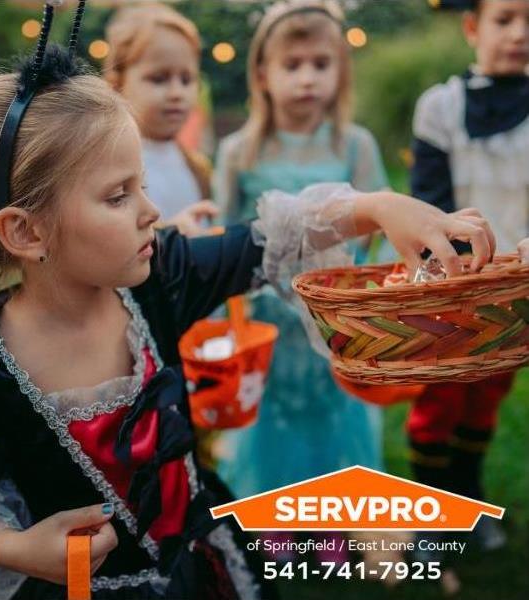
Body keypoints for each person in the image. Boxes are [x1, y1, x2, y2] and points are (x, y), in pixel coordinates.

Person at [0, 11, 495, 600]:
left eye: (143, 186)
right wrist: (16, 549)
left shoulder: (160, 282)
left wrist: (382, 207)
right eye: (118, 195)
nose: (150, 212)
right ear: (26, 233)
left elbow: (271, 240)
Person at [213, 0, 388, 562]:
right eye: (293, 64)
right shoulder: (240, 149)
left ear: (341, 70)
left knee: (331, 408)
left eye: (321, 63)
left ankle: (336, 514)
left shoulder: (353, 145)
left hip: (333, 313)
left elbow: (376, 221)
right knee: (273, 410)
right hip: (267, 313)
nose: (308, 77)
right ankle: (274, 515)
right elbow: (225, 231)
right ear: (262, 73)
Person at [408, 0, 529, 552]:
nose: (519, 33)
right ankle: (431, 510)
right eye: (505, 19)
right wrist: (454, 273)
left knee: (487, 395)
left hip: (517, 287)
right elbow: (431, 199)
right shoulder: (441, 107)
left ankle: (471, 498)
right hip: (454, 283)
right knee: (441, 396)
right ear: (473, 27)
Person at [103, 2, 217, 237]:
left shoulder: (197, 167)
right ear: (118, 84)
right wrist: (168, 236)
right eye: (159, 78)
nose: (177, 93)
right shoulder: (108, 166)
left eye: (186, 80)